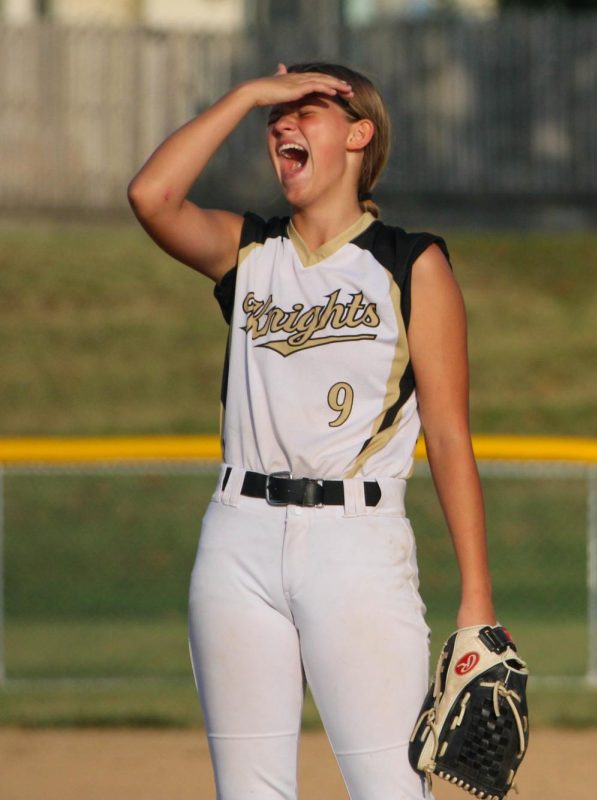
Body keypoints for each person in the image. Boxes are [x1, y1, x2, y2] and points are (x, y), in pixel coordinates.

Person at [128, 62, 496, 800]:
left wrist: (477, 598)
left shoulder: (409, 263)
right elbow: (151, 196)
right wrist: (244, 96)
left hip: (355, 547)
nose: (281, 123)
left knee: (389, 789)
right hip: (238, 538)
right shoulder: (250, 250)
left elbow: (450, 437)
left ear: (360, 134)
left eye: (307, 110)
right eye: (276, 115)